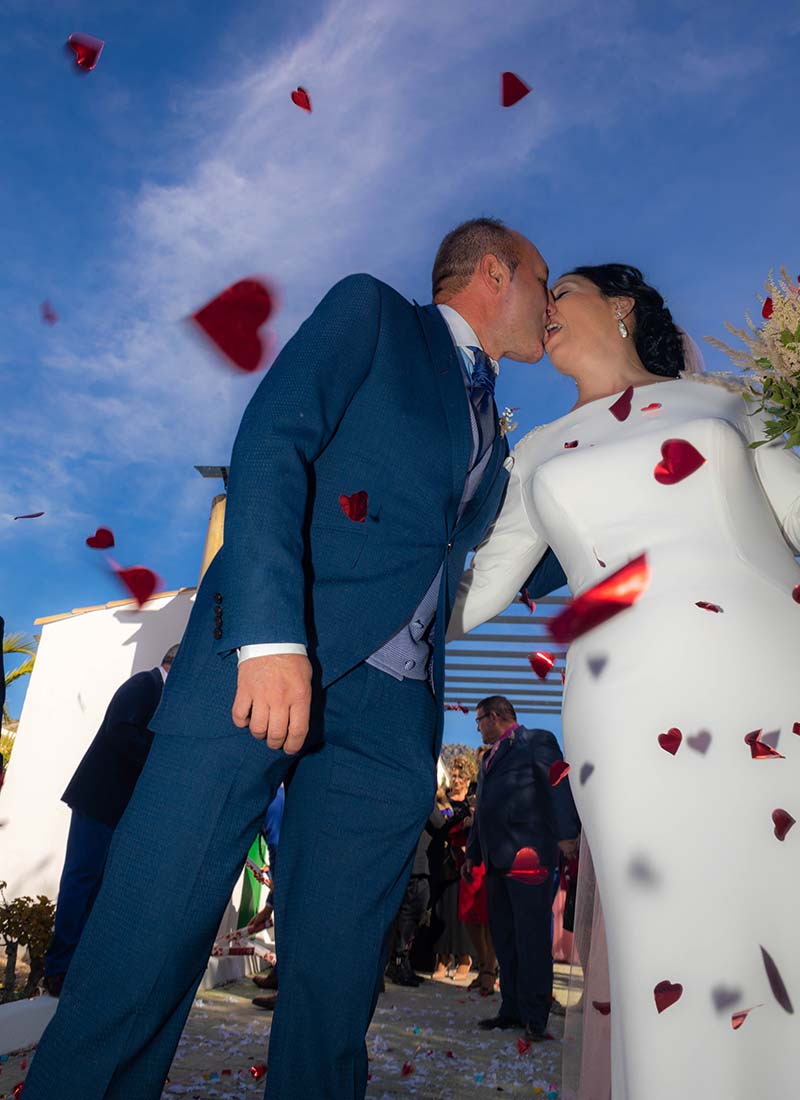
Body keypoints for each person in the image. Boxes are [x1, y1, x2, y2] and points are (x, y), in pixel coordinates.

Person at [24, 218, 566, 1100]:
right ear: (495, 272)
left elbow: (525, 550)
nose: (551, 306)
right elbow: (273, 441)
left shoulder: (494, 441)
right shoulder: (376, 316)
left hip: (394, 716)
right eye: (545, 283)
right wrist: (271, 638)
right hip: (272, 659)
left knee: (336, 984)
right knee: (150, 932)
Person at [448, 263, 800, 1099]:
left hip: (770, 676)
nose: (548, 308)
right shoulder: (533, 452)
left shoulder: (723, 404)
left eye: (562, 290)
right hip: (625, 707)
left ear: (620, 306)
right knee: (664, 932)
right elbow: (476, 592)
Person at [42, 645, 179, 996]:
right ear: (173, 665)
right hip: (98, 800)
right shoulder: (143, 686)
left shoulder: (157, 692)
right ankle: (59, 969)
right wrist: (163, 751)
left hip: (114, 808)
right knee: (80, 880)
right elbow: (120, 733)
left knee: (98, 886)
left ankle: (79, 966)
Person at [462, 695, 579, 1041]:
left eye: (479, 720)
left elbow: (556, 784)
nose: (478, 728)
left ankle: (535, 1017)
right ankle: (510, 1008)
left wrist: (566, 833)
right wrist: (472, 853)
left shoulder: (536, 741)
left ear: (495, 716)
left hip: (529, 857)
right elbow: (482, 810)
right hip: (496, 859)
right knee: (505, 936)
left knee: (530, 937)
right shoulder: (487, 759)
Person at [429, 759, 474, 981]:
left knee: (459, 911)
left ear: (467, 779)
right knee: (441, 910)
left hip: (461, 863)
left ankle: (464, 958)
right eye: (453, 775)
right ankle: (442, 957)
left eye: (459, 776)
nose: (455, 780)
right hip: (440, 860)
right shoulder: (441, 798)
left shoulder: (470, 803)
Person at [458, 745, 496, 995]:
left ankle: (489, 971)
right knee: (469, 915)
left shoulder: (503, 787)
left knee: (490, 917)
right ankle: (483, 965)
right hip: (473, 857)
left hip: (494, 856)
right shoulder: (474, 791)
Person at [250, 784, 285, 1010]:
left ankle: (285, 992)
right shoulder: (272, 798)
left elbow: (280, 863)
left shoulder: (269, 808)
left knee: (290, 920)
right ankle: (278, 975)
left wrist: (269, 907)